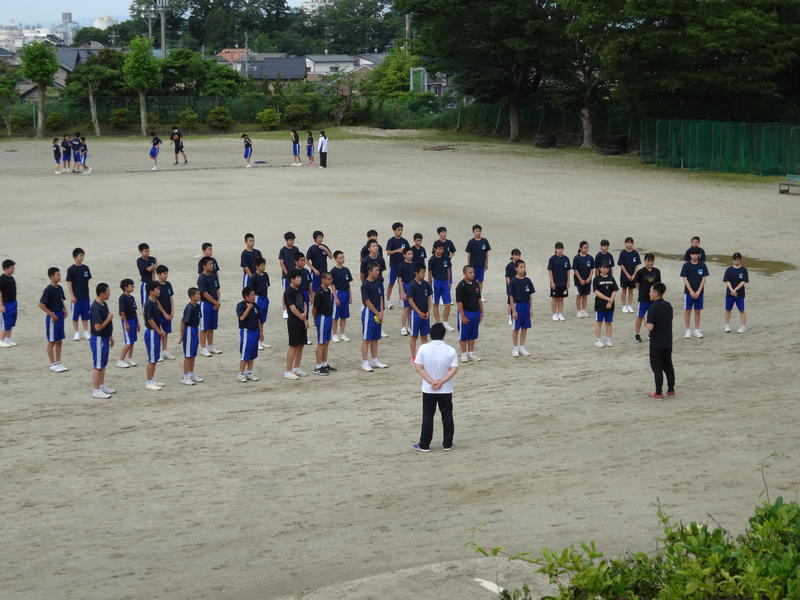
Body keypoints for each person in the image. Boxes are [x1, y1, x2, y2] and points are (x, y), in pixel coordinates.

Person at [412, 322, 459, 452]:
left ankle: (424, 444)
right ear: (443, 335)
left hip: (428, 389)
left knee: (428, 416)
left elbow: (418, 367)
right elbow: (453, 369)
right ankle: (447, 443)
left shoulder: (423, 348)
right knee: (447, 416)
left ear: (431, 334)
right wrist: (441, 381)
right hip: (445, 389)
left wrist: (431, 381)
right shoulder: (450, 350)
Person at [646, 282, 675, 399]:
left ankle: (658, 392)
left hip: (656, 343)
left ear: (656, 293)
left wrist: (645, 321)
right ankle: (671, 390)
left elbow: (650, 327)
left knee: (657, 367)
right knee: (668, 366)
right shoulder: (668, 305)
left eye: (651, 291)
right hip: (667, 341)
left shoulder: (652, 308)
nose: (649, 293)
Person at [39, 267, 69, 372]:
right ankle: (52, 364)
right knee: (52, 341)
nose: (60, 277)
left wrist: (65, 310)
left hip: (60, 315)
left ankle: (58, 362)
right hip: (53, 318)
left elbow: (61, 300)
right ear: (51, 277)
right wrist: (51, 314)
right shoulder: (48, 290)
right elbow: (41, 304)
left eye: (60, 274)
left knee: (59, 340)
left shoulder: (59, 288)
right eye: (58, 275)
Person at [89, 283, 115, 399]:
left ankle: (101, 386)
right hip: (98, 339)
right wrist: (108, 319)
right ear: (102, 293)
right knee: (98, 365)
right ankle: (96, 390)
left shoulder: (104, 304)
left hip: (104, 338)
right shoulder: (95, 308)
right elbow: (98, 327)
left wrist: (110, 336)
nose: (109, 293)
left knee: (103, 364)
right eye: (108, 291)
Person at [360, 263, 387, 371]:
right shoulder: (365, 285)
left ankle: (374, 360)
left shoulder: (377, 282)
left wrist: (381, 311)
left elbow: (380, 297)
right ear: (370, 271)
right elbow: (367, 302)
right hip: (369, 312)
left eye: (378, 270)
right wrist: (377, 313)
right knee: (367, 338)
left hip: (378, 311)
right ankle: (365, 362)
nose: (378, 272)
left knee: (375, 338)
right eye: (376, 270)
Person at [284, 269, 309, 380]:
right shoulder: (288, 292)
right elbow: (292, 307)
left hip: (302, 320)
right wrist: (301, 316)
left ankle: (296, 367)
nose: (300, 279)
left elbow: (304, 303)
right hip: (293, 321)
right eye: (298, 278)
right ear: (292, 279)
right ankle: (288, 371)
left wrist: (305, 317)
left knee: (301, 345)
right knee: (293, 346)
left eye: (300, 277)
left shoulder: (300, 289)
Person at [455, 265, 483, 362]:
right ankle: (464, 354)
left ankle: (471, 353)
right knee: (464, 334)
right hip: (466, 312)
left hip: (476, 312)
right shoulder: (461, 286)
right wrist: (462, 315)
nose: (472, 274)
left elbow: (479, 298)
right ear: (465, 274)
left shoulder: (476, 284)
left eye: (473, 272)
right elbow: (459, 302)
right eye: (470, 273)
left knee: (473, 333)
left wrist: (481, 311)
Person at [407, 263, 433, 363]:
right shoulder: (412, 285)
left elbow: (429, 298)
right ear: (417, 273)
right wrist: (419, 312)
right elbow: (410, 300)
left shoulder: (426, 284)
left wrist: (428, 311)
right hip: (415, 314)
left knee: (424, 337)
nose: (424, 274)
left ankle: (424, 357)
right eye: (422, 272)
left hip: (425, 314)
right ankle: (413, 357)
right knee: (414, 336)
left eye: (424, 272)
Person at [680, 247, 709, 338]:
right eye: (693, 254)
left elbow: (704, 279)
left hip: (699, 293)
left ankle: (697, 330)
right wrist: (691, 291)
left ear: (698, 255)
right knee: (687, 310)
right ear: (690, 255)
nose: (694, 256)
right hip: (688, 293)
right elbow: (685, 279)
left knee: (697, 311)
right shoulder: (686, 265)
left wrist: (699, 291)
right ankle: (688, 330)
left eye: (696, 254)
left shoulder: (702, 265)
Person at [508, 260, 534, 357]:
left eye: (524, 267)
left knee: (524, 327)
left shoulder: (528, 280)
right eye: (521, 267)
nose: (523, 269)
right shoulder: (513, 281)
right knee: (516, 328)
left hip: (526, 305)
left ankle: (521, 347)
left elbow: (530, 295)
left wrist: (531, 308)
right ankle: (515, 348)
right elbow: (511, 297)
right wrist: (513, 310)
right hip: (517, 306)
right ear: (516, 269)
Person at [312, 272, 337, 375]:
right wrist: (315, 320)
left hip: (328, 318)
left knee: (326, 342)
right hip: (322, 318)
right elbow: (314, 309)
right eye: (328, 279)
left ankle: (324, 364)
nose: (330, 281)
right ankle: (318, 367)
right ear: (323, 279)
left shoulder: (328, 291)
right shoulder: (319, 292)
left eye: (331, 279)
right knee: (321, 343)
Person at [236, 286, 263, 382]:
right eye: (252, 295)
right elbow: (242, 318)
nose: (254, 296)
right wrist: (249, 308)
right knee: (245, 353)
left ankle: (249, 372)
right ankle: (241, 373)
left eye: (254, 294)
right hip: (246, 332)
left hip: (255, 331)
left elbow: (259, 320)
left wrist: (261, 333)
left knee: (252, 352)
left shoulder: (256, 306)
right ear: (246, 297)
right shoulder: (241, 305)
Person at [198, 256, 222, 356]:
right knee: (204, 327)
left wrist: (218, 301)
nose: (212, 266)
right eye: (209, 264)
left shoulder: (213, 276)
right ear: (204, 266)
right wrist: (215, 302)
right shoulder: (201, 278)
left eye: (212, 264)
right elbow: (204, 293)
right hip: (206, 305)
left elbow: (217, 289)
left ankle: (210, 346)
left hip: (215, 304)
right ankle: (203, 348)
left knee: (211, 327)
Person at [633, 253, 661, 343]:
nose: (650, 263)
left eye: (652, 261)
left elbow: (658, 285)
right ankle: (637, 334)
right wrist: (642, 292)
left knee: (653, 316)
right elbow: (637, 284)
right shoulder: (640, 272)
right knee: (640, 316)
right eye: (648, 261)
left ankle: (651, 333)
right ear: (645, 261)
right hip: (643, 298)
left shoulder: (657, 271)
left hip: (654, 299)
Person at [66, 247, 92, 341]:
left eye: (83, 255)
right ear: (75, 257)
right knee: (75, 316)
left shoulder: (86, 268)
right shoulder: (71, 269)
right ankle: (76, 332)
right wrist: (72, 296)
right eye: (80, 256)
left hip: (85, 296)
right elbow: (69, 283)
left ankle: (86, 332)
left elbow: (87, 280)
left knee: (85, 315)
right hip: (76, 297)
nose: (82, 257)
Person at [143, 281, 165, 391]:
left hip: (155, 332)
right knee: (152, 358)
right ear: (151, 291)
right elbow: (150, 320)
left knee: (155, 358)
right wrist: (158, 331)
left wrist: (161, 329)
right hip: (151, 332)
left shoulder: (155, 302)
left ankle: (152, 379)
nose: (159, 291)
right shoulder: (148, 304)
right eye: (157, 289)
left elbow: (156, 319)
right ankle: (149, 382)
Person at [179, 287, 203, 386]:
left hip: (195, 330)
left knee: (193, 354)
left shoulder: (197, 306)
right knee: (188, 355)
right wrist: (182, 335)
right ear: (192, 296)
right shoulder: (189, 308)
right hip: (189, 331)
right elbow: (183, 322)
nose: (200, 296)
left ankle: (191, 373)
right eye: (198, 294)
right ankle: (185, 377)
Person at [428, 241, 454, 331]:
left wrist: (449, 282)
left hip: (445, 282)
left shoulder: (446, 258)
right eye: (439, 249)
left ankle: (445, 323)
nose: (441, 251)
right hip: (436, 282)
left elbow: (448, 270)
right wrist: (429, 285)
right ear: (435, 249)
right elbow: (429, 273)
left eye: (442, 249)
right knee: (436, 303)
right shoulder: (432, 260)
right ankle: (438, 323)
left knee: (448, 304)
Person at [592, 262, 618, 348]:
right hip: (600, 304)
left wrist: (611, 301)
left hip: (610, 304)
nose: (605, 269)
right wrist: (607, 299)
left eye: (607, 268)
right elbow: (596, 292)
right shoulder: (596, 279)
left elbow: (614, 290)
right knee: (599, 321)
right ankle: (598, 340)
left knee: (609, 322)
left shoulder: (611, 278)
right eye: (603, 268)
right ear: (599, 268)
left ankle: (608, 339)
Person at [385, 222, 410, 309]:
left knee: (402, 284)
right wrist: (397, 250)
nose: (400, 232)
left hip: (403, 267)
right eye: (398, 230)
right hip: (394, 266)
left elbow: (408, 252)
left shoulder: (405, 241)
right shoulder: (391, 241)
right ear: (394, 231)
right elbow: (388, 252)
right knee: (391, 283)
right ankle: (388, 301)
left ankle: (401, 300)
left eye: (401, 230)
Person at [330, 250, 353, 343]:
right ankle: (334, 334)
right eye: (340, 257)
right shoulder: (333, 271)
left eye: (343, 257)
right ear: (335, 259)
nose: (342, 259)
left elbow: (348, 284)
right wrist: (335, 297)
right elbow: (332, 285)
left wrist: (350, 296)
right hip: (338, 293)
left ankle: (342, 333)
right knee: (335, 316)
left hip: (345, 293)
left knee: (344, 315)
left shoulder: (346, 270)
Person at [723, 252, 749, 333]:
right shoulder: (728, 270)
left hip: (740, 294)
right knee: (728, 309)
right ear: (732, 260)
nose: (736, 261)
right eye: (735, 260)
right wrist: (731, 290)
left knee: (742, 310)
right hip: (729, 293)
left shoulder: (743, 270)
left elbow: (743, 281)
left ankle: (743, 326)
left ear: (740, 260)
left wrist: (735, 290)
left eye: (738, 260)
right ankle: (726, 325)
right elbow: (727, 281)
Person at [465, 224, 491, 301]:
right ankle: (472, 294)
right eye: (476, 231)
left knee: (480, 281)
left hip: (481, 265)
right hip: (473, 265)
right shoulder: (471, 242)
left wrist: (486, 263)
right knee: (472, 280)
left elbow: (486, 253)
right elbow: (469, 254)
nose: (478, 232)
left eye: (479, 231)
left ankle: (479, 295)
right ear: (473, 232)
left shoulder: (484, 241)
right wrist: (469, 265)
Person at [116, 278, 139, 368]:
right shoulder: (122, 298)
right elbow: (122, 312)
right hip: (127, 321)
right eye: (131, 286)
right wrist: (126, 323)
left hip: (133, 320)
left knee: (132, 341)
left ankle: (129, 358)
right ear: (125, 287)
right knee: (128, 341)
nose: (133, 288)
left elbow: (134, 311)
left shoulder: (132, 298)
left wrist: (137, 323)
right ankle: (120, 360)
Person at [279, 231, 301, 319]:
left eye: (293, 240)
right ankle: (285, 310)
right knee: (286, 292)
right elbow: (281, 263)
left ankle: (294, 307)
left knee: (295, 291)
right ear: (286, 240)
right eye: (290, 240)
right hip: (286, 276)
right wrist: (287, 274)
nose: (292, 242)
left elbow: (298, 260)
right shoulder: (283, 250)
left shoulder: (296, 249)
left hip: (295, 275)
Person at [547, 242, 571, 321]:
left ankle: (560, 313)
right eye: (558, 249)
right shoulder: (552, 259)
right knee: (555, 298)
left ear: (563, 249)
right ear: (555, 249)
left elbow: (568, 271)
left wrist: (568, 281)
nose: (560, 250)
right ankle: (554, 314)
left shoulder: (566, 259)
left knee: (561, 298)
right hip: (555, 282)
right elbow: (550, 271)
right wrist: (552, 282)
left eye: (561, 249)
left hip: (563, 282)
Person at [155, 265, 175, 360]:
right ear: (159, 274)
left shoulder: (168, 284)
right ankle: (158, 352)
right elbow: (156, 301)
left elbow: (170, 298)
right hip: (159, 314)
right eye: (164, 274)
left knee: (166, 332)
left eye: (167, 273)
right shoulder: (155, 285)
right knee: (160, 332)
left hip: (168, 312)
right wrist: (164, 313)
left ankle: (164, 350)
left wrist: (172, 310)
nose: (166, 275)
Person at [251, 257, 271, 350]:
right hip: (257, 299)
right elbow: (251, 291)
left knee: (262, 320)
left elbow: (267, 286)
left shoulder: (265, 275)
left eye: (264, 265)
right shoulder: (254, 277)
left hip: (265, 298)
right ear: (257, 266)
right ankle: (257, 341)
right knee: (257, 320)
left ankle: (261, 339)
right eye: (262, 265)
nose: (264, 267)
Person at [618, 236, 640, 313]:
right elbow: (621, 265)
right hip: (624, 276)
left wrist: (634, 275)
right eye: (628, 243)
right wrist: (627, 274)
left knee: (631, 291)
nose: (629, 244)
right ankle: (624, 305)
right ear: (625, 244)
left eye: (631, 243)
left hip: (633, 276)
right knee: (624, 290)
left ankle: (629, 305)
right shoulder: (623, 253)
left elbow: (637, 265)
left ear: (633, 244)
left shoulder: (635, 253)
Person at [397, 247, 417, 335]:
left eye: (411, 254)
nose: (411, 256)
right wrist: (402, 292)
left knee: (412, 307)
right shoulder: (401, 265)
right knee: (406, 308)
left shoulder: (415, 265)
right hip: (406, 286)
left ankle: (409, 326)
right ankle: (403, 327)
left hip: (414, 286)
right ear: (404, 255)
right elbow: (400, 280)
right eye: (409, 254)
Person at [572, 241, 594, 318]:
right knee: (579, 295)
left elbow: (592, 269)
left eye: (587, 248)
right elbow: (575, 270)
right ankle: (579, 311)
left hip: (587, 280)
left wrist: (589, 278)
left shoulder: (590, 258)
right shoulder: (576, 258)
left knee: (585, 296)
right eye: (585, 248)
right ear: (580, 248)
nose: (586, 249)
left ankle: (584, 310)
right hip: (578, 281)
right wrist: (580, 279)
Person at [0, 259, 18, 348]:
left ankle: (8, 338)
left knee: (11, 322)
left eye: (13, 268)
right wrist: (1, 305)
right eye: (12, 268)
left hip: (13, 303)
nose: (13, 269)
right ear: (6, 268)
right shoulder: (1, 279)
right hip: (5, 304)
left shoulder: (11, 278)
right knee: (6, 323)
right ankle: (1, 340)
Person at [505, 248, 522, 325]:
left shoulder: (521, 265)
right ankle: (509, 318)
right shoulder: (509, 266)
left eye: (519, 255)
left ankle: (517, 315)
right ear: (512, 256)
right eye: (516, 255)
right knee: (510, 303)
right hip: (511, 287)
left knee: (518, 302)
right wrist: (510, 287)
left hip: (519, 286)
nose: (517, 257)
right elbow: (507, 277)